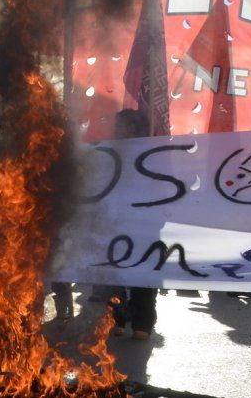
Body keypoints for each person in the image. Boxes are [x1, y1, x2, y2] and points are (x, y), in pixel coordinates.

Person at [108, 109, 158, 340]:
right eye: (116, 125)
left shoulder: (152, 153)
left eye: (121, 125)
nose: (116, 129)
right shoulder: (109, 152)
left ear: (135, 128)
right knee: (114, 274)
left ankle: (142, 323)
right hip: (115, 224)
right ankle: (117, 318)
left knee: (143, 274)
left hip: (145, 224)